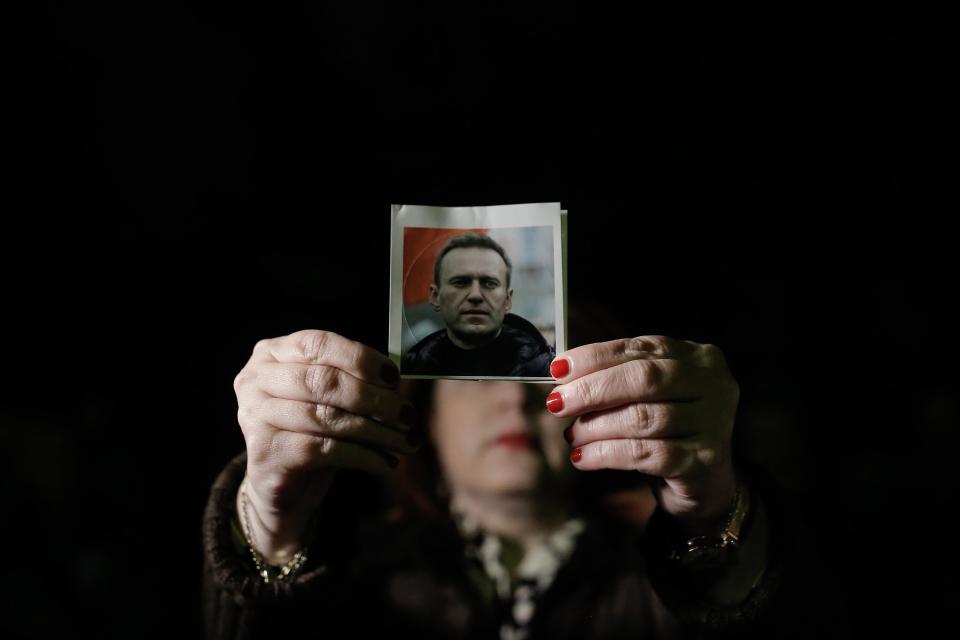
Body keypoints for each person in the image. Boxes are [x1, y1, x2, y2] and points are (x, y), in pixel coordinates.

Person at [202, 320, 784, 639]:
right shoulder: (358, 576)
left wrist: (713, 514)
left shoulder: (652, 579)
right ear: (425, 413)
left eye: (536, 374)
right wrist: (272, 523)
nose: (511, 396)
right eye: (478, 375)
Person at [401, 232, 555, 377]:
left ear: (507, 300)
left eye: (489, 283)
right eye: (461, 282)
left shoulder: (539, 365)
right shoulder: (413, 365)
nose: (475, 295)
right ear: (435, 297)